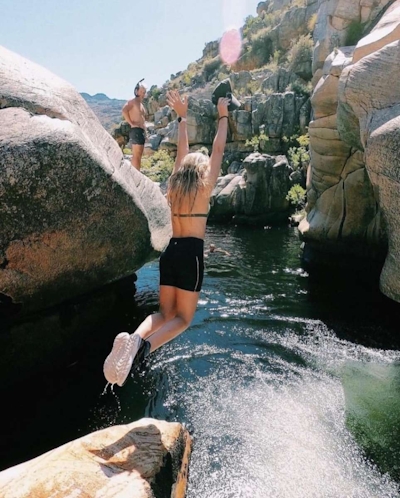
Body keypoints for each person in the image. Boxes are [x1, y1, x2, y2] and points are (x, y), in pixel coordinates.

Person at [103, 90, 230, 387]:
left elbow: (181, 153)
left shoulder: (174, 184)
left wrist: (182, 117)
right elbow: (219, 148)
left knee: (163, 313)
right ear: (201, 171)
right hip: (191, 254)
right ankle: (143, 350)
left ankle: (135, 338)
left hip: (170, 251)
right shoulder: (204, 186)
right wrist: (223, 114)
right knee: (182, 319)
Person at [122, 80, 147, 170]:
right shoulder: (133, 101)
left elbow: (143, 119)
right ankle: (135, 176)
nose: (143, 93)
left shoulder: (141, 104)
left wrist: (145, 132)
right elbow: (124, 110)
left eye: (144, 92)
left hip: (141, 131)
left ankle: (136, 174)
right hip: (136, 130)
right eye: (141, 91)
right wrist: (131, 123)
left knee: (139, 155)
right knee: (136, 155)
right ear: (136, 91)